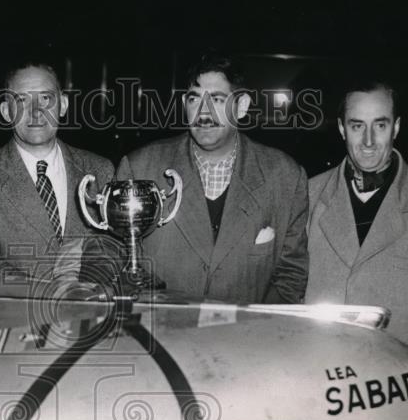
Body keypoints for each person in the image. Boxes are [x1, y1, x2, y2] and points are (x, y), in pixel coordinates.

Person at [306, 80, 408, 387]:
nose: (368, 140)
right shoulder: (306, 196)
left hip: (401, 392)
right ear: (342, 129)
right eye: (357, 126)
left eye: (379, 125)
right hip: (317, 385)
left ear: (395, 127)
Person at [114, 52, 309, 304]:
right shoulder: (140, 167)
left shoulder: (285, 176)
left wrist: (258, 330)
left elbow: (291, 275)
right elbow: (115, 257)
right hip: (161, 333)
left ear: (241, 107)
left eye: (217, 99)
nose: (203, 112)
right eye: (195, 99)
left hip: (244, 338)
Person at [0, 62, 114, 280]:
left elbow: (119, 246)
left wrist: (90, 256)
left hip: (89, 309)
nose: (36, 111)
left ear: (63, 105)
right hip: (16, 311)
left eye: (46, 98)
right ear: (5, 111)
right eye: (21, 100)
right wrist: (47, 291)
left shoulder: (100, 170)